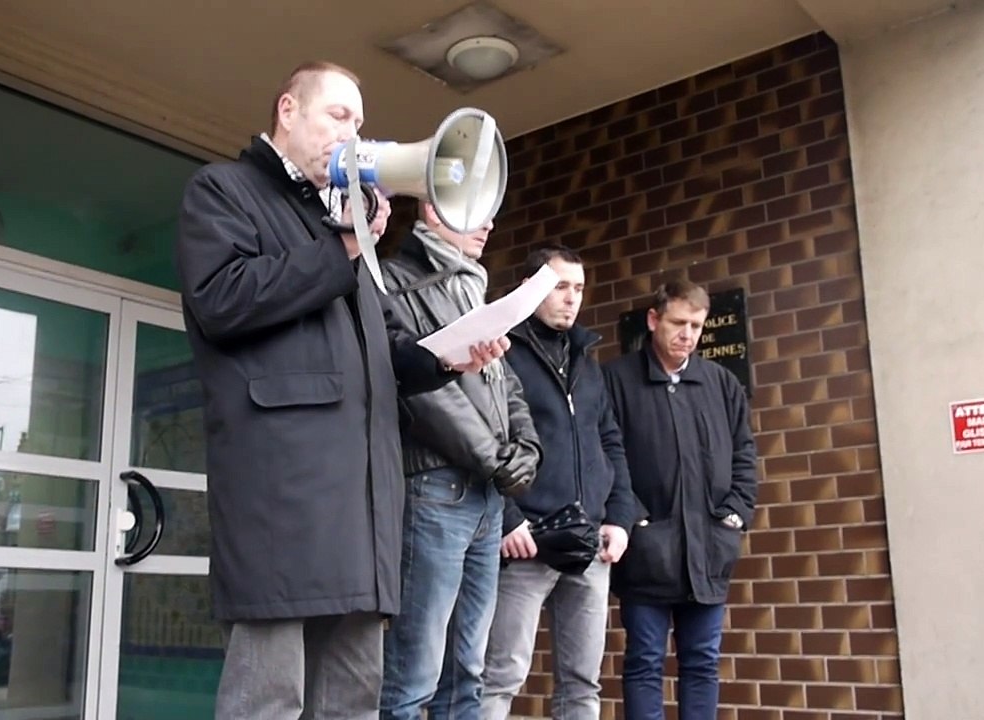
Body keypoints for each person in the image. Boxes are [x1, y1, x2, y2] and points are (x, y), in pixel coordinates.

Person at [173, 60, 509, 720]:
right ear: (288, 110)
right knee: (269, 699)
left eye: (359, 119)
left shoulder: (337, 226)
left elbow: (374, 357)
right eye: (338, 114)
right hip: (283, 495)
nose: (353, 131)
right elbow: (221, 301)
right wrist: (345, 246)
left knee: (353, 702)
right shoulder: (223, 192)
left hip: (364, 506)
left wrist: (446, 359)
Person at [378, 202, 542, 719]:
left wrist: (528, 448)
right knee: (414, 673)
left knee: (467, 670)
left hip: (484, 498)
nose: (490, 224)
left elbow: (506, 382)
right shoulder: (393, 280)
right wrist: (498, 457)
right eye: (474, 212)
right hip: (435, 488)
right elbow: (423, 395)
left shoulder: (468, 286)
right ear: (431, 208)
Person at [480, 246, 644, 719]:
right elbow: (486, 440)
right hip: (527, 543)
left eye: (578, 288)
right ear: (531, 290)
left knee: (583, 684)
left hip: (589, 543)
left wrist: (620, 517)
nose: (571, 299)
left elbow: (610, 442)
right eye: (559, 287)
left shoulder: (588, 363)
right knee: (500, 677)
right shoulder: (501, 351)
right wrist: (509, 520)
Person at [601, 279, 759, 720]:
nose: (687, 334)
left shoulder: (720, 383)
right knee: (645, 662)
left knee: (703, 663)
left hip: (709, 549)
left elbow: (745, 452)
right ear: (654, 320)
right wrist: (634, 520)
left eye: (696, 325)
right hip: (647, 552)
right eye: (678, 323)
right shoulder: (615, 380)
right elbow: (606, 458)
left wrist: (734, 516)